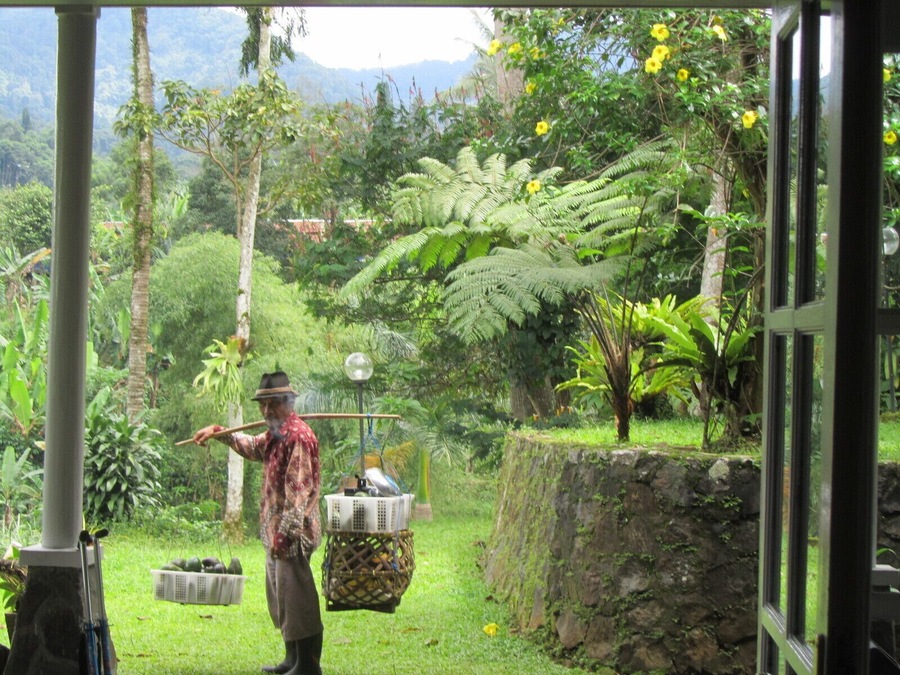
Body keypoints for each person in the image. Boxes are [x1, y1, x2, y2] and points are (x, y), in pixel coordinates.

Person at [193, 371, 323, 675]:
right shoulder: (276, 434)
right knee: (281, 598)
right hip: (274, 530)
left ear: (288, 403)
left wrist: (284, 537)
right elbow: (252, 447)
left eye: (273, 404)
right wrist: (219, 432)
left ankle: (308, 665)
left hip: (293, 534)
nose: (266, 411)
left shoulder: (299, 437)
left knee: (297, 597)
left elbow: (298, 495)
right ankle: (291, 659)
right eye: (263, 405)